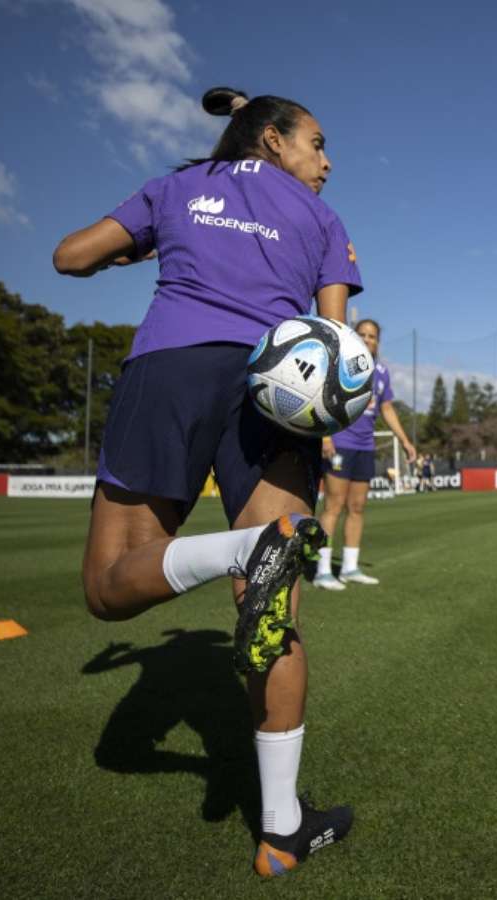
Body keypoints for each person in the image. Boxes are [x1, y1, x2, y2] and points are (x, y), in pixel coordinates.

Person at [52, 86, 360, 877]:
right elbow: (329, 337)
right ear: (272, 139)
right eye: (317, 142)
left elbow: (70, 256)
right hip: (275, 396)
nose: (327, 162)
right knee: (274, 616)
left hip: (171, 371)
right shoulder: (324, 220)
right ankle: (281, 831)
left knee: (108, 590)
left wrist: (140, 246)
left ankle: (234, 551)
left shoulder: (176, 186)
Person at [314, 319, 416, 590]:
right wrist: (325, 436)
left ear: (378, 342)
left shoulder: (381, 373)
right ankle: (322, 570)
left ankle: (349, 568)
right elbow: (319, 398)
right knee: (333, 506)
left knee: (357, 507)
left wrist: (405, 441)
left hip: (365, 446)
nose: (368, 339)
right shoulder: (340, 365)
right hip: (340, 443)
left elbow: (387, 409)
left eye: (372, 336)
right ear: (354, 336)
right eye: (363, 334)